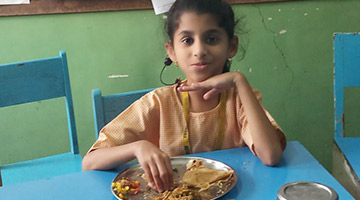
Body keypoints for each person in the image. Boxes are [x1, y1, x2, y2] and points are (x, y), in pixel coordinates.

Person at [82, 0, 286, 193]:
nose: (199, 50)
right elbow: (90, 163)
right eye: (187, 40)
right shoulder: (157, 104)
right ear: (171, 51)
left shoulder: (240, 99)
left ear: (231, 46)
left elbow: (271, 156)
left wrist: (239, 81)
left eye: (212, 39)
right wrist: (138, 147)